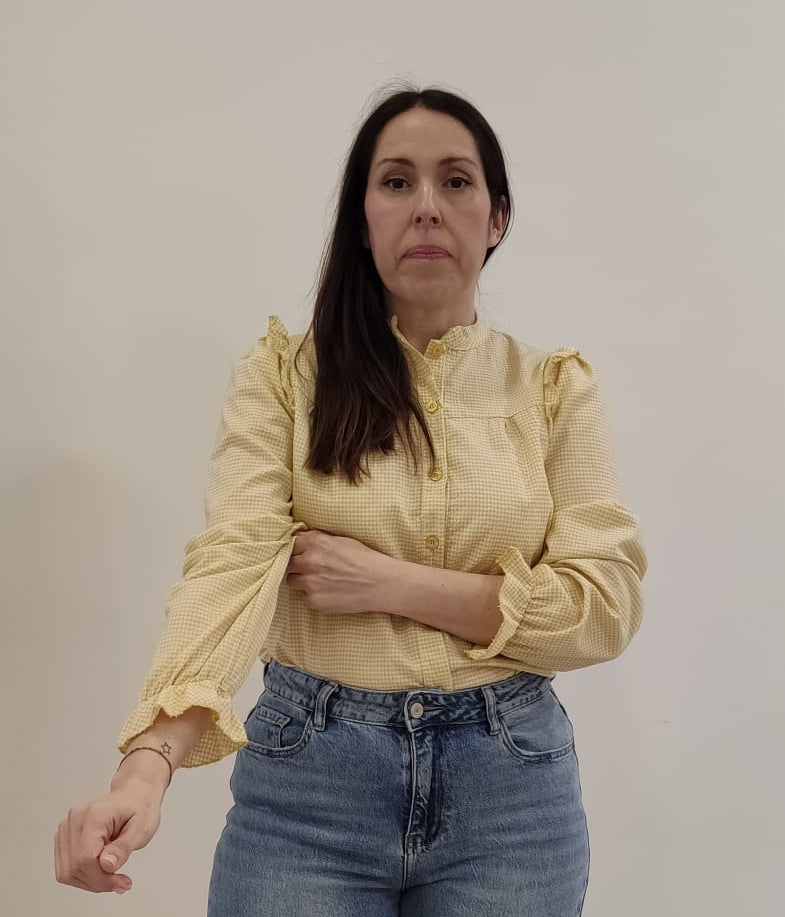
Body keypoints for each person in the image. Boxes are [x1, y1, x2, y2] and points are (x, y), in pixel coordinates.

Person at [54, 85, 648, 915]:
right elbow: (232, 565)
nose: (427, 206)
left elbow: (603, 608)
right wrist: (145, 766)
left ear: (498, 217)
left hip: (512, 797)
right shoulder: (284, 379)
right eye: (396, 182)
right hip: (310, 786)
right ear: (362, 218)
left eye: (456, 181)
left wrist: (388, 583)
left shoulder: (555, 390)